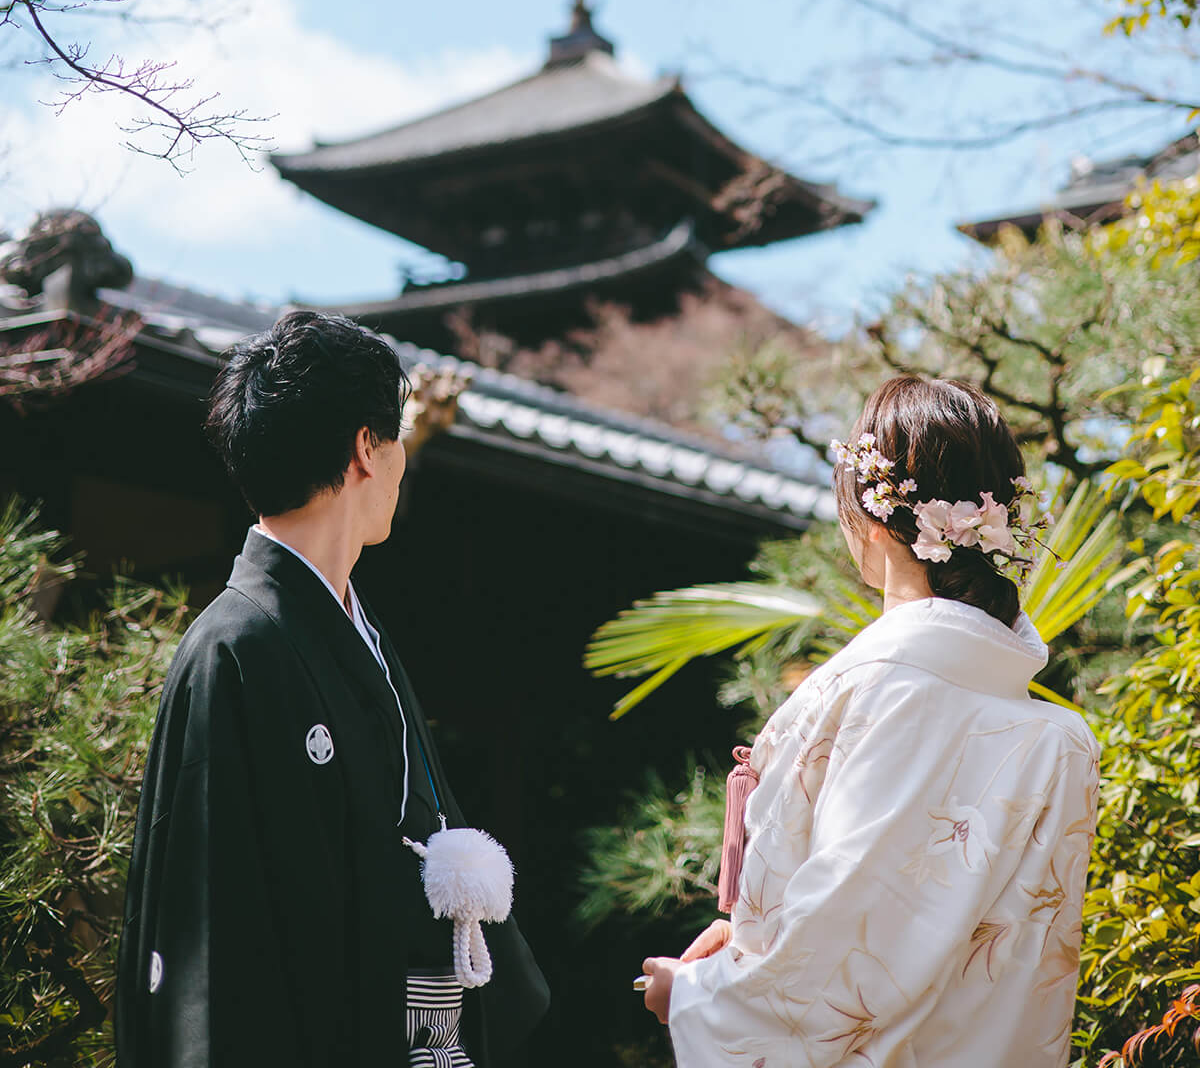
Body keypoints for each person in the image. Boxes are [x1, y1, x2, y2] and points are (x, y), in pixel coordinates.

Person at [116, 310, 548, 1068]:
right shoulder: (235, 646)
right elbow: (213, 933)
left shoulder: (355, 632)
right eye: (399, 436)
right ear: (364, 450)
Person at [639, 375, 1100, 1067]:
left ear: (872, 516)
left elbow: (848, 920)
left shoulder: (883, 690)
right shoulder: (1062, 737)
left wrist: (701, 997)